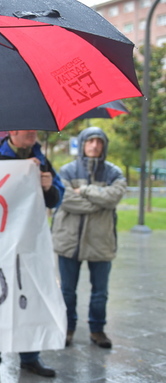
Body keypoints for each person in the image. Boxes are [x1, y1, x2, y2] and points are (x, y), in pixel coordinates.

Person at [0, 130, 65, 381]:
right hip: (0, 243)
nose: (33, 134)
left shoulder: (42, 160)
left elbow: (56, 199)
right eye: (27, 129)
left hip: (31, 245)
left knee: (31, 297)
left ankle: (30, 357)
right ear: (12, 131)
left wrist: (49, 187)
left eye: (34, 129)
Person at [51, 126, 126, 349]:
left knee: (100, 292)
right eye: (90, 141)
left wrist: (83, 191)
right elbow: (64, 199)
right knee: (67, 290)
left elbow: (114, 197)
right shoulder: (67, 171)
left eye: (99, 141)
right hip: (69, 241)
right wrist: (98, 202)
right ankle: (67, 327)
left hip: (100, 242)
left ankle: (97, 329)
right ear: (82, 144)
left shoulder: (114, 173)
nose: (94, 145)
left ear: (104, 145)